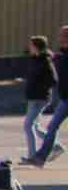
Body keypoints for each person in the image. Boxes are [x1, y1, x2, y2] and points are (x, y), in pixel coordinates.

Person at [27, 31, 65, 167]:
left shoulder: (46, 60)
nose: (29, 47)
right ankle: (49, 151)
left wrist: (39, 88)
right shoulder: (37, 59)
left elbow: (53, 80)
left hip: (40, 97)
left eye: (31, 45)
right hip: (36, 97)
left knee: (28, 125)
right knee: (40, 127)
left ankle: (34, 156)